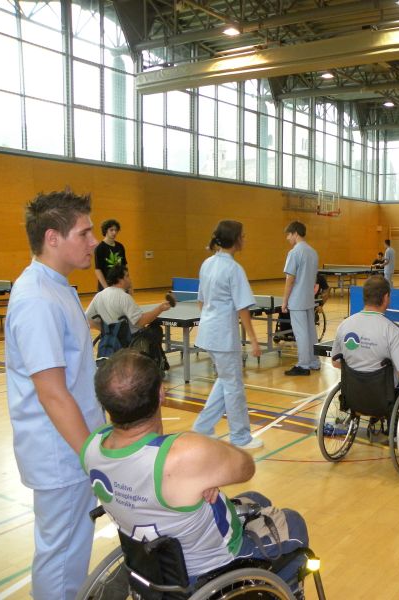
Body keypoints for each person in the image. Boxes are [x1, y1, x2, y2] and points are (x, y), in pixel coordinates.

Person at [83, 350, 308, 589]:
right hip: (211, 567)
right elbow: (246, 467)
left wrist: (199, 477)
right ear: (161, 393)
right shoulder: (184, 454)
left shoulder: (91, 446)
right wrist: (207, 468)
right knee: (294, 522)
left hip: (155, 564)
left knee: (256, 498)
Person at [5, 189, 105, 599]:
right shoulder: (37, 299)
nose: (94, 241)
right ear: (52, 238)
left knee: (70, 551)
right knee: (61, 558)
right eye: (84, 233)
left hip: (72, 445)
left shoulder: (58, 287)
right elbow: (52, 394)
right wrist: (93, 458)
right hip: (61, 453)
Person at [192, 220, 263, 449]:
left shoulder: (207, 264)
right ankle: (240, 437)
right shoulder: (234, 269)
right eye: (243, 235)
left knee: (225, 380)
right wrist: (253, 339)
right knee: (233, 387)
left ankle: (202, 428)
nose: (245, 238)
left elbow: (201, 301)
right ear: (235, 239)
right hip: (223, 336)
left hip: (208, 333)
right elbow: (242, 308)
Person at [331, 276, 399, 416]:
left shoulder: (344, 326)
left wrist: (361, 370)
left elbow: (335, 362)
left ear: (365, 297)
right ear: (386, 297)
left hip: (352, 395)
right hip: (382, 398)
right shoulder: (394, 331)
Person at [85, 264, 171, 335]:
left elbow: (87, 320)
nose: (130, 279)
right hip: (128, 340)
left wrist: (107, 332)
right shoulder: (124, 297)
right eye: (127, 276)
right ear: (120, 280)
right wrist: (160, 309)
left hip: (110, 341)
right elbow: (141, 321)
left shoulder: (99, 296)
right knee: (156, 330)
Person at [282, 221, 320, 376]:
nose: (287, 238)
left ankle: (303, 365)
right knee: (311, 332)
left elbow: (290, 279)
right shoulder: (313, 252)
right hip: (309, 299)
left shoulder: (294, 253)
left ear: (295, 233)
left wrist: (285, 301)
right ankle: (314, 361)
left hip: (297, 299)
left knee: (301, 333)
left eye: (288, 235)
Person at [94, 218, 127, 291]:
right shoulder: (100, 248)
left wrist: (128, 284)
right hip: (106, 285)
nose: (114, 232)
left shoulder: (120, 246)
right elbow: (98, 270)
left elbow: (124, 267)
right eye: (111, 230)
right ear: (106, 230)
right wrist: (106, 288)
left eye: (116, 230)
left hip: (120, 285)